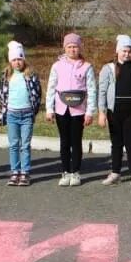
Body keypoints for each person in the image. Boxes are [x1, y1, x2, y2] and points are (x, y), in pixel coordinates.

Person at [97, 34, 131, 188]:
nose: (127, 54)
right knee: (116, 144)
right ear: (117, 51)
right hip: (114, 112)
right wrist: (102, 112)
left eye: (129, 51)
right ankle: (115, 172)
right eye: (124, 51)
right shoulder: (109, 69)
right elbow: (102, 92)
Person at [46, 32, 97, 186]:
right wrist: (49, 109)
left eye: (75, 46)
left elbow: (91, 90)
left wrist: (89, 112)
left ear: (79, 48)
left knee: (76, 141)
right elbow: (51, 88)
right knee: (64, 142)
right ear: (64, 48)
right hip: (61, 109)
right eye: (69, 46)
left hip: (78, 110)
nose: (72, 49)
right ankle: (65, 172)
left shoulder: (87, 67)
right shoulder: (57, 66)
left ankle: (75, 172)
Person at [0, 40, 41, 186]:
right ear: (10, 62)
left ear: (24, 59)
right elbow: (2, 96)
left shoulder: (30, 75)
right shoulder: (6, 76)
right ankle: (15, 171)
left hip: (27, 114)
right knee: (14, 144)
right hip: (12, 115)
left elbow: (37, 94)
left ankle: (25, 172)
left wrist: (33, 110)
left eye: (19, 59)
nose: (17, 62)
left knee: (25, 145)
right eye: (14, 60)